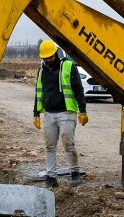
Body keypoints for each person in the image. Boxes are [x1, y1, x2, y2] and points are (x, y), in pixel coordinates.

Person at [33, 40, 88, 187]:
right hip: (49, 114)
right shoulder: (42, 70)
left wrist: (82, 110)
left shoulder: (68, 66)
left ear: (55, 53)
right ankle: (51, 177)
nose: (48, 60)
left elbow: (78, 89)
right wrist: (36, 113)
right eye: (45, 58)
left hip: (66, 113)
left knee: (68, 144)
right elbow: (38, 92)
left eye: (50, 56)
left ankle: (75, 174)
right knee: (49, 146)